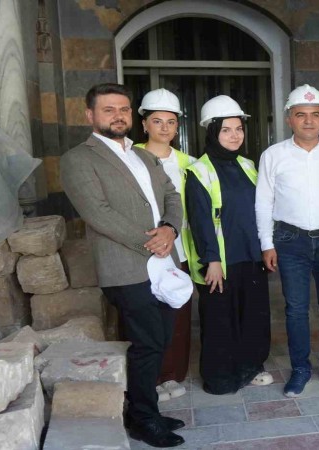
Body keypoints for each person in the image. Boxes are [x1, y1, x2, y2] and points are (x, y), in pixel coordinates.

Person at [60, 83, 185, 448]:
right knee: (147, 342)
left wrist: (170, 229)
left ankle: (143, 410)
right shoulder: (78, 159)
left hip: (163, 261)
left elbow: (172, 195)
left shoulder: (144, 155)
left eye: (124, 109)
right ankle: (143, 419)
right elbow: (98, 212)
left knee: (160, 339)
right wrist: (152, 241)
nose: (118, 116)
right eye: (109, 109)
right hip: (125, 266)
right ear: (90, 115)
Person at [256, 84, 319, 398]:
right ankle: (300, 368)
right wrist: (266, 243)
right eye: (301, 115)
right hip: (290, 239)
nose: (308, 121)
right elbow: (264, 202)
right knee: (296, 309)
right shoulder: (273, 155)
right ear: (289, 119)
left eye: (315, 114)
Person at [184, 95, 272, 395]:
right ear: (212, 132)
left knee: (253, 316)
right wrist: (211, 260)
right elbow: (200, 221)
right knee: (220, 320)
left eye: (238, 129)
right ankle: (220, 377)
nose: (235, 136)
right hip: (220, 260)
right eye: (226, 130)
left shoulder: (248, 165)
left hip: (251, 255)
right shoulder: (199, 171)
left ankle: (251, 367)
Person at [135, 88, 196, 402]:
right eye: (157, 121)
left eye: (171, 122)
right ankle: (149, 377)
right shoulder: (127, 157)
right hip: (139, 251)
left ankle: (171, 374)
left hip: (177, 251)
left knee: (176, 315)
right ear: (144, 124)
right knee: (144, 318)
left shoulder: (189, 163)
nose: (164, 128)